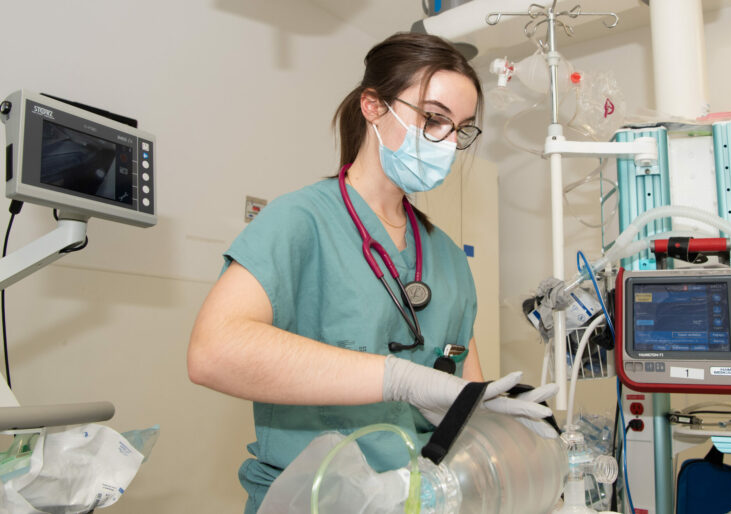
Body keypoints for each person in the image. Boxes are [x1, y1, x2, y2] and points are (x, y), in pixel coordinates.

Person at [187, 32, 557, 514]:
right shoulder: (301, 221)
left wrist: (492, 419)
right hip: (313, 500)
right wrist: (399, 379)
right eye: (433, 119)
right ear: (372, 106)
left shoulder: (446, 257)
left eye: (461, 129)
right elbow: (213, 352)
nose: (447, 142)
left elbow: (463, 395)